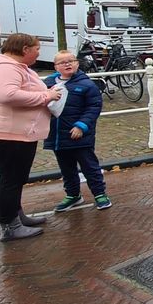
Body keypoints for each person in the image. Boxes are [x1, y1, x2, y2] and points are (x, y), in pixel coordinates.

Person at [0, 33, 63, 242]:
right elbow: (7, 95)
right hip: (8, 134)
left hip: (18, 133)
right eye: (37, 49)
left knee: (15, 179)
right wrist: (46, 96)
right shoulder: (4, 68)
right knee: (10, 180)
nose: (38, 53)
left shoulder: (13, 67)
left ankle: (16, 216)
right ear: (25, 49)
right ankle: (9, 226)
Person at [44, 50, 109, 212]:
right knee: (66, 168)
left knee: (89, 165)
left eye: (71, 61)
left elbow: (94, 107)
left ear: (77, 63)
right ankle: (73, 195)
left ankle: (100, 193)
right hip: (58, 135)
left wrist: (81, 126)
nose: (67, 64)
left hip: (80, 135)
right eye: (62, 62)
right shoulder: (48, 84)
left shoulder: (86, 84)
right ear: (56, 67)